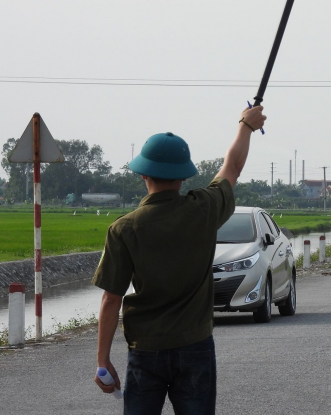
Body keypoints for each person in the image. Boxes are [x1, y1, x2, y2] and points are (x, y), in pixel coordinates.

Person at [92, 105, 266, 415]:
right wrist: (246, 126)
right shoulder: (203, 208)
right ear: (184, 175)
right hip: (195, 346)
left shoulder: (124, 228)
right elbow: (233, 167)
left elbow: (110, 300)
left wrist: (102, 360)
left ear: (143, 173)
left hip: (145, 350)